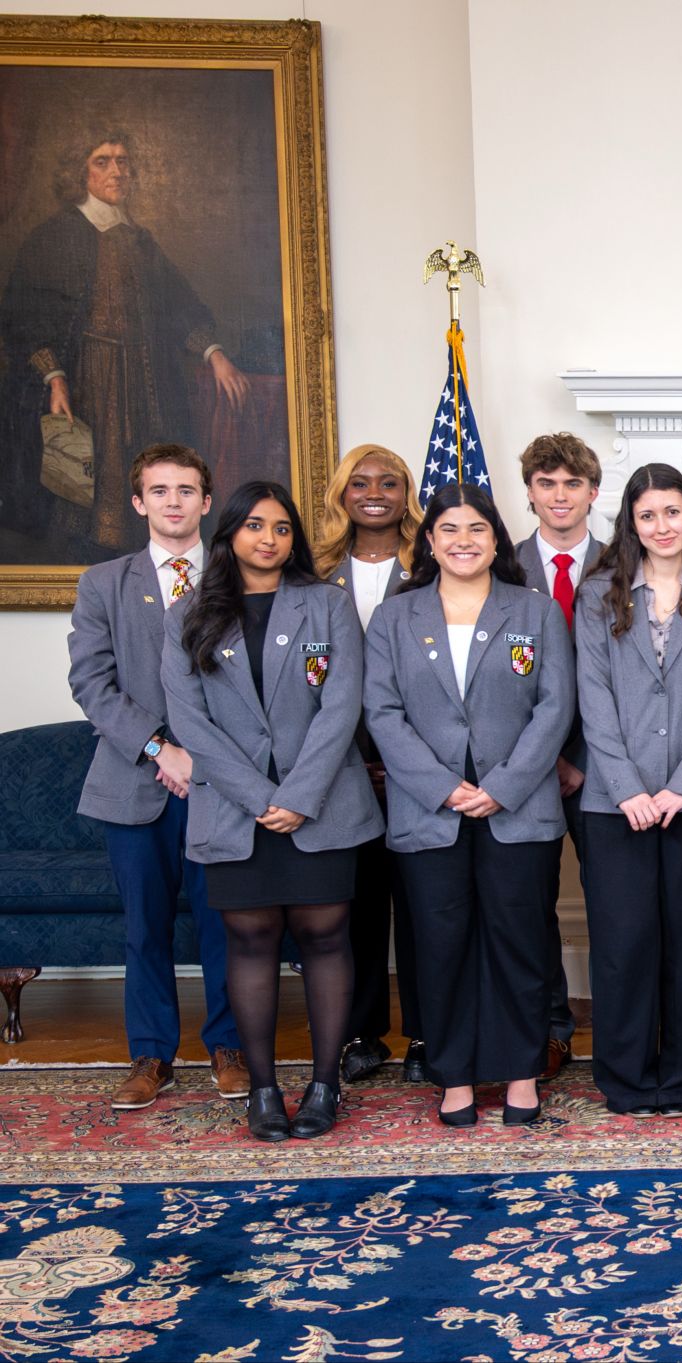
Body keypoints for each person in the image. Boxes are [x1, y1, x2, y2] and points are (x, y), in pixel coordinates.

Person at [161, 481, 381, 1140]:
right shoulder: (188, 614)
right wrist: (261, 797)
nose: (269, 538)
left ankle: (323, 1084)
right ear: (229, 533)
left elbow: (343, 705)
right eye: (255, 525)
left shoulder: (328, 605)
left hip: (323, 807)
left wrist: (298, 796)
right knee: (250, 943)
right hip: (235, 812)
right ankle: (262, 1089)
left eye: (282, 528)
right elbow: (189, 724)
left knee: (326, 939)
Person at [364, 485, 574, 1127]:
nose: (463, 540)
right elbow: (382, 711)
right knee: (440, 943)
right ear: (429, 542)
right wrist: (439, 785)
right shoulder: (395, 618)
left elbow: (555, 706)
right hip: (429, 810)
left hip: (519, 806)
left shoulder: (534, 611)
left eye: (477, 529)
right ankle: (453, 1077)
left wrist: (504, 784)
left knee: (519, 940)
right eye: (449, 529)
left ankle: (519, 1074)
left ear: (496, 539)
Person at [66, 443, 245, 1111]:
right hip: (133, 785)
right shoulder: (103, 583)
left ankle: (229, 1045)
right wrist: (159, 747)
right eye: (159, 489)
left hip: (222, 785)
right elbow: (92, 681)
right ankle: (151, 1054)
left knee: (224, 921)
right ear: (139, 501)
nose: (174, 500)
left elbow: (253, 687)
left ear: (205, 500)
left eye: (186, 489)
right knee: (145, 926)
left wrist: (203, 755)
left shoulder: (236, 579)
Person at [1, 132, 252, 553]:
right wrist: (55, 378)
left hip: (145, 379)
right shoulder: (56, 235)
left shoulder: (140, 241)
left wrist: (215, 353)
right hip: (88, 378)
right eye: (103, 161)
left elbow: (179, 305)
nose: (116, 171)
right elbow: (26, 317)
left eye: (122, 161)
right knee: (88, 477)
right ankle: (87, 554)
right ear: (80, 172)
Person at [577, 464, 682, 1116]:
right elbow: (594, 700)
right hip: (616, 803)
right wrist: (629, 789)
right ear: (631, 523)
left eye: (673, 511)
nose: (662, 525)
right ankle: (627, 1077)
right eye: (648, 515)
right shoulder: (598, 595)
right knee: (624, 941)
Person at [314, 443, 424, 1086]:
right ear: (342, 495)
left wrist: (399, 755)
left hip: (417, 765)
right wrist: (352, 756)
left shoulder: (431, 564)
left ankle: (424, 1032)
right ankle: (361, 1034)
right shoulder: (315, 571)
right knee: (352, 907)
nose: (374, 492)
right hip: (337, 768)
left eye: (389, 481)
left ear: (406, 492)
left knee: (420, 906)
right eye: (360, 482)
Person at [514, 432, 607, 1083]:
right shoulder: (497, 562)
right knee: (529, 903)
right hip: (522, 767)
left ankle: (625, 1026)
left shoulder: (623, 562)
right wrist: (542, 756)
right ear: (530, 493)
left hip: (605, 765)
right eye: (546, 483)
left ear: (592, 492)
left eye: (571, 483)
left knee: (614, 901)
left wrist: (578, 752)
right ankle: (551, 1027)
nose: (559, 495)